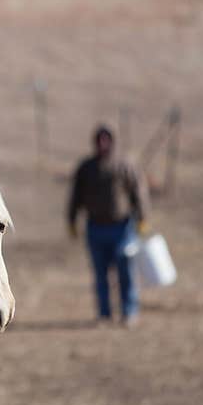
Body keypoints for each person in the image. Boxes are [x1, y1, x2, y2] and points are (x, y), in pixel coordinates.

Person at [67, 125, 149, 328]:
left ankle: (129, 312)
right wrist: (71, 220)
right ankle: (104, 315)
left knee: (125, 273)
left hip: (122, 228)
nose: (102, 144)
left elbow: (138, 192)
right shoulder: (86, 168)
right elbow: (75, 196)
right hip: (95, 228)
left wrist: (142, 218)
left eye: (106, 140)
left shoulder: (124, 165)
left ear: (112, 141)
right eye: (99, 140)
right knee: (100, 274)